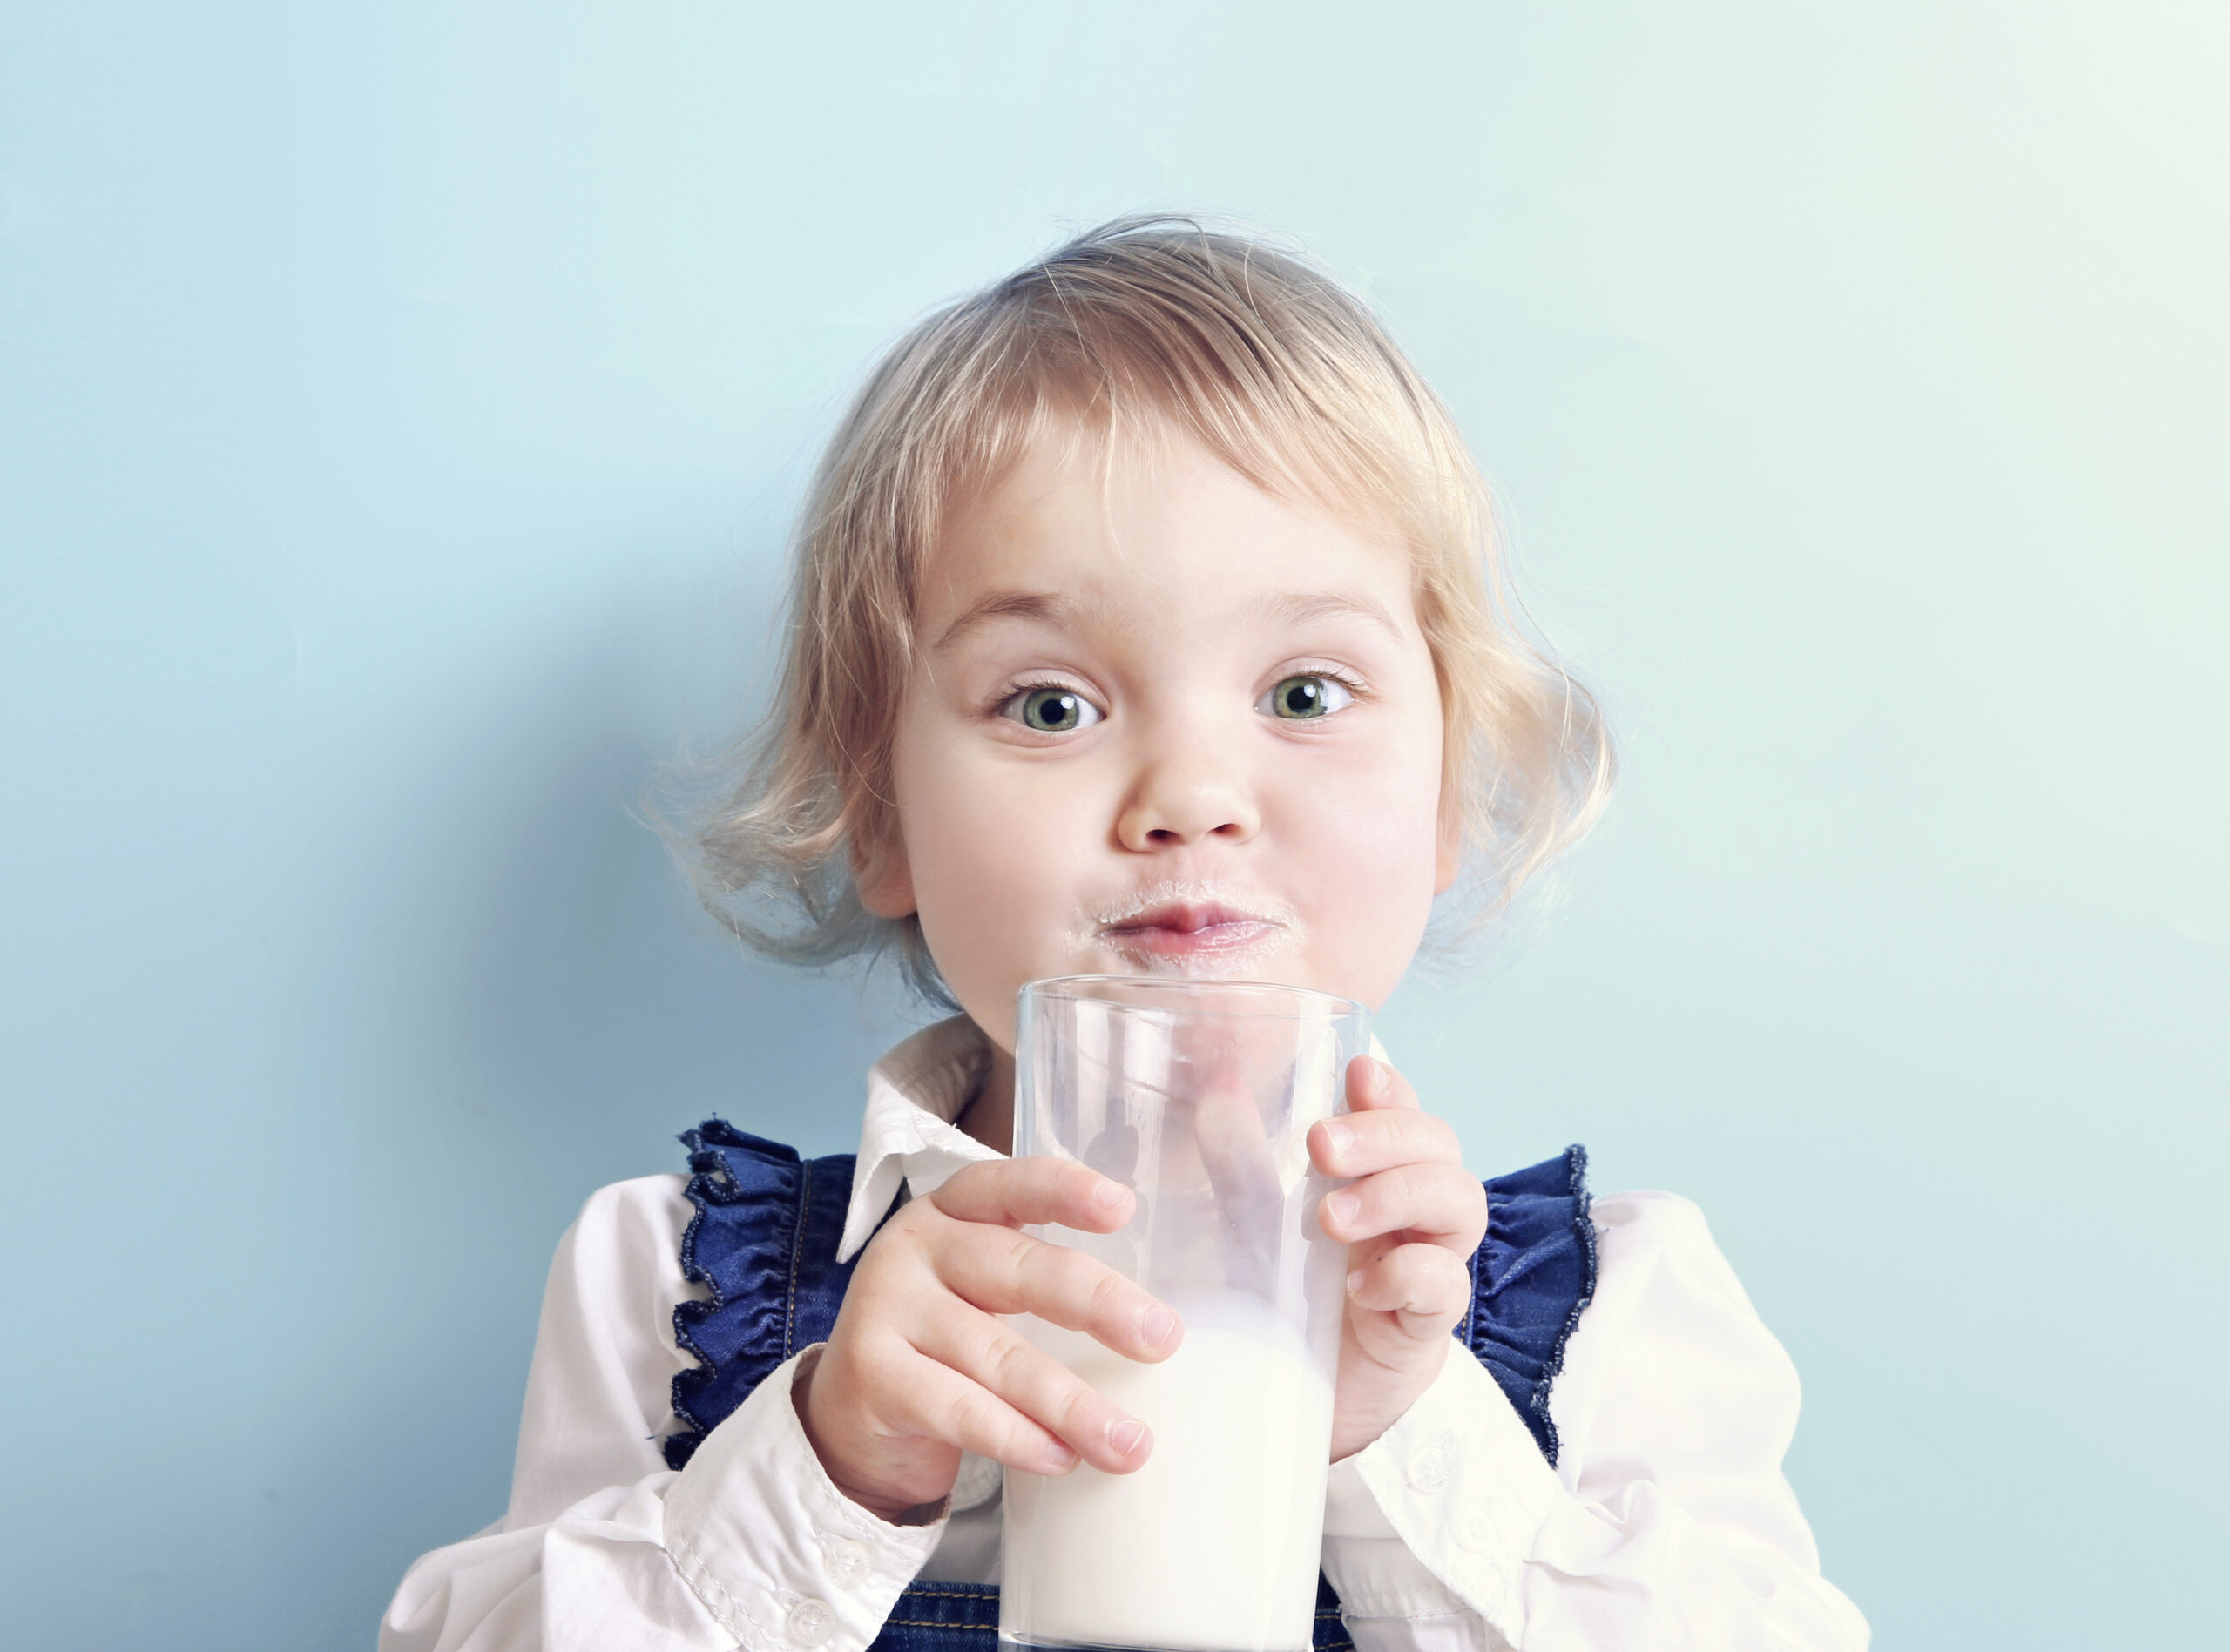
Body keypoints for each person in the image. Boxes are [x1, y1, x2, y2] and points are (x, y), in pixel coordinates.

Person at [381, 217, 1870, 1652]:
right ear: (880, 815)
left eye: (1302, 693)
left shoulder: (1621, 1308)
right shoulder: (673, 1282)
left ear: (1445, 801)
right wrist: (830, 1466)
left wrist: (1400, 1427)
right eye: (1050, 705)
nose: (1190, 797)